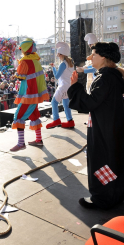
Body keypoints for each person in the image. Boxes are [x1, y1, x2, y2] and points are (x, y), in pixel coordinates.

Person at [68, 42, 124, 209]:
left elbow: (90, 103)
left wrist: (75, 87)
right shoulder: (114, 75)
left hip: (103, 130)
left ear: (104, 57)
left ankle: (104, 197)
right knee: (113, 160)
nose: (89, 58)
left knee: (102, 160)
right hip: (112, 126)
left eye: (93, 54)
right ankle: (116, 193)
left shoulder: (105, 77)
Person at [10, 38, 49, 152]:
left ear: (25, 49)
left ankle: (21, 143)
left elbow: (21, 76)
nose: (21, 51)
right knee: (34, 115)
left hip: (28, 94)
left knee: (18, 117)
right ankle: (38, 140)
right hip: (35, 94)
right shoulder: (36, 60)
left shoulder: (25, 61)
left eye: (22, 49)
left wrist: (15, 75)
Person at [46, 42, 75, 129]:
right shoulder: (70, 63)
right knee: (66, 104)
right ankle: (70, 121)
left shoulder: (63, 64)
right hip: (68, 86)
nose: (58, 56)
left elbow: (57, 76)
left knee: (54, 102)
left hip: (63, 86)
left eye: (58, 54)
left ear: (62, 54)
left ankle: (56, 120)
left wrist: (53, 68)